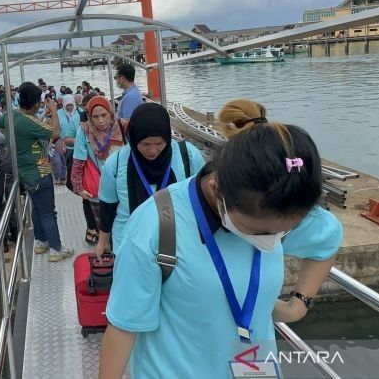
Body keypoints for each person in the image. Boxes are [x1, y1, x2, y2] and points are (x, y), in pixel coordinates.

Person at [98, 99, 342, 379]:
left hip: (255, 370)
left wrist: (298, 304)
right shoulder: (155, 226)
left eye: (283, 233)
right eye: (260, 232)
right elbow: (124, 327)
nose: (272, 241)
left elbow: (327, 238)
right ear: (219, 190)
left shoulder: (281, 207)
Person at [95, 102, 206, 256]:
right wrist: (103, 242)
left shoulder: (189, 156)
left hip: (179, 245)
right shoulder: (115, 163)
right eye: (145, 144)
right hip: (131, 248)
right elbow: (108, 208)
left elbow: (204, 199)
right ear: (134, 138)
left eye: (159, 143)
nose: (153, 150)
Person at [0, 82, 72, 262]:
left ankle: (40, 242)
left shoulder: (11, 116)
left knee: (37, 208)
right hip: (39, 170)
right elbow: (54, 132)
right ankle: (56, 249)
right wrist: (54, 110)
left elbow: (0, 126)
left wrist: (18, 141)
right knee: (48, 211)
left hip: (25, 171)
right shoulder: (27, 121)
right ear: (37, 103)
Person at [70, 96, 125, 246]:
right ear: (89, 116)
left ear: (110, 113)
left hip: (122, 189)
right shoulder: (84, 131)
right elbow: (78, 162)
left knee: (122, 228)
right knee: (104, 229)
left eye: (104, 115)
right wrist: (79, 188)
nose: (100, 120)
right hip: (98, 190)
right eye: (95, 116)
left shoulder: (122, 127)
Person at [53, 94, 78, 187]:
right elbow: (57, 127)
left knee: (74, 161)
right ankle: (62, 177)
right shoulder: (59, 113)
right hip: (62, 141)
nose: (69, 107)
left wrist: (77, 139)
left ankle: (72, 178)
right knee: (62, 161)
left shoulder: (78, 113)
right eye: (67, 105)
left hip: (76, 141)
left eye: (71, 105)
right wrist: (63, 138)